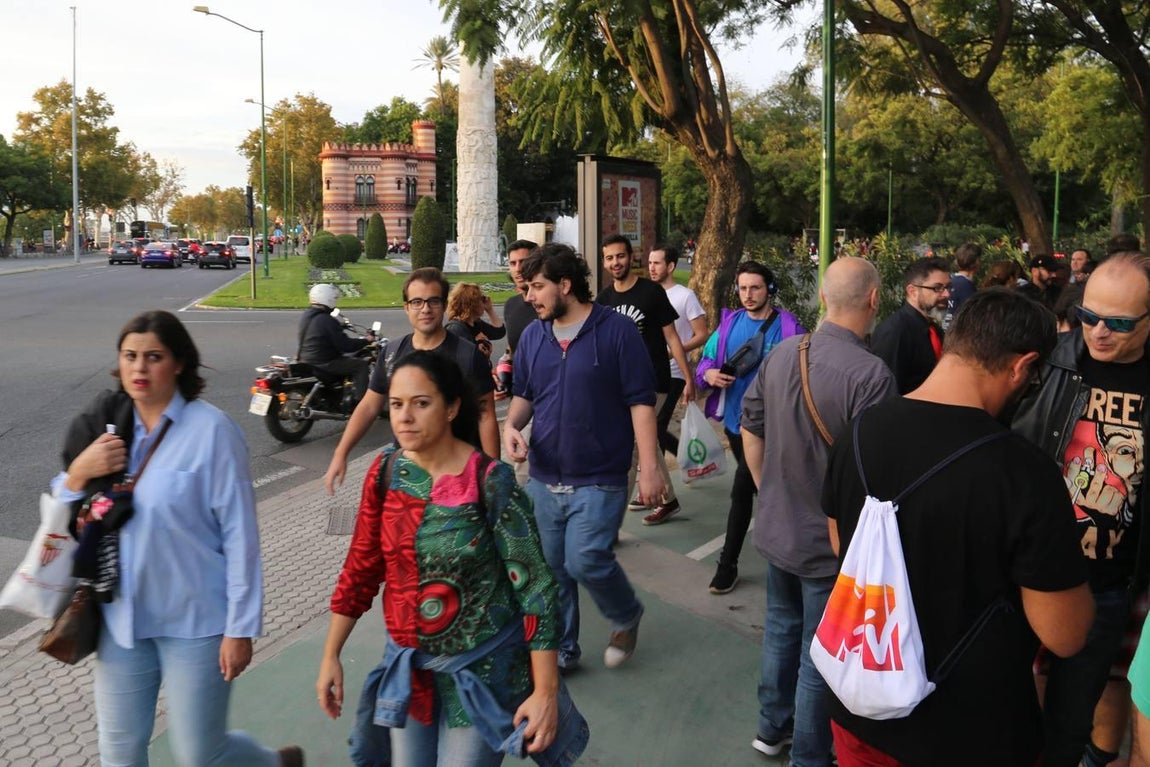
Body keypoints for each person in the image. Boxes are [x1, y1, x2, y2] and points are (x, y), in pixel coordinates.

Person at [823, 289, 1094, 766]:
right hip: (970, 732)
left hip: (860, 712)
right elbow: (1065, 634)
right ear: (1022, 366)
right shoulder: (1023, 472)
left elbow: (840, 544)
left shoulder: (859, 431)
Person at [53, 310, 301, 767]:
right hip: (121, 622)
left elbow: (240, 535)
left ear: (180, 363)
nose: (139, 368)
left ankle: (270, 763)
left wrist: (240, 627)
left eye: (153, 357)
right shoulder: (108, 424)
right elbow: (63, 507)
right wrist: (79, 472)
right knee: (119, 754)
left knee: (201, 755)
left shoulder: (211, 431)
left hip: (197, 624)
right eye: (130, 356)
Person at [317, 351, 581, 767]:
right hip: (411, 674)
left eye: (421, 403)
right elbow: (362, 568)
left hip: (482, 673)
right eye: (397, 404)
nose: (404, 417)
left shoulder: (490, 482)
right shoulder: (385, 472)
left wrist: (545, 690)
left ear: (451, 407)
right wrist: (332, 654)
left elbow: (535, 589)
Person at [741, 258, 896, 766]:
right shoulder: (871, 375)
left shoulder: (785, 351)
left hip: (777, 528)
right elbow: (874, 470)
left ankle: (770, 728)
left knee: (781, 629)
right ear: (874, 300)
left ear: (823, 298)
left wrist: (769, 491)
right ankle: (809, 757)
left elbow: (751, 424)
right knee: (820, 652)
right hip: (831, 544)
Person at [1012, 252, 1150, 767]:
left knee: (1070, 723)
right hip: (1026, 573)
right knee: (1003, 706)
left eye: (1118, 323)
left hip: (1109, 587)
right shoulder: (1047, 358)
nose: (1099, 333)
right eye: (1090, 317)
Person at [503, 243, 663, 672]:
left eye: (537, 286)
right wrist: (511, 425)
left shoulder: (617, 332)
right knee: (554, 571)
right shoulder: (534, 336)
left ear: (566, 285)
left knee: (586, 559)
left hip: (600, 477)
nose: (530, 296)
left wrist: (649, 470)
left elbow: (641, 403)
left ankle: (626, 614)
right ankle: (564, 650)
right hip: (544, 476)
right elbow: (526, 394)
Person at [324, 268, 499, 494]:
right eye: (417, 302)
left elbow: (485, 415)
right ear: (406, 307)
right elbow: (369, 405)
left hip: (460, 480)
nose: (425, 309)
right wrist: (341, 453)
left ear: (444, 306)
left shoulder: (468, 356)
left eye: (433, 301)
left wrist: (493, 476)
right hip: (408, 480)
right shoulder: (392, 354)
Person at [695, 261, 805, 594]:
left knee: (743, 491)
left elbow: (802, 374)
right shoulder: (728, 326)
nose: (748, 294)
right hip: (735, 425)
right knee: (765, 492)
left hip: (774, 429)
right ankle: (795, 557)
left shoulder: (788, 327)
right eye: (743, 288)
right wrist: (709, 375)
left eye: (755, 287)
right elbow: (705, 363)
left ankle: (728, 565)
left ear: (770, 289)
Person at [598, 234, 694, 522]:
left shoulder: (651, 293)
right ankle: (669, 499)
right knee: (646, 441)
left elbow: (672, 338)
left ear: (631, 257)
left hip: (654, 381)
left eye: (620, 256)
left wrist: (688, 379)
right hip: (621, 384)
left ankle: (610, 523)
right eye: (610, 258)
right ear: (605, 262)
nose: (616, 262)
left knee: (634, 447)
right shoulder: (604, 300)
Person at [643, 243, 708, 525]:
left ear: (670, 266)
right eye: (649, 263)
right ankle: (685, 459)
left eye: (657, 263)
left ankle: (665, 497)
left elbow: (702, 334)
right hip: (651, 372)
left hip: (675, 373)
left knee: (652, 429)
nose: (652, 267)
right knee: (649, 430)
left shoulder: (685, 296)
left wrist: (673, 350)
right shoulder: (647, 295)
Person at [871, 257, 951, 394]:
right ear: (912, 291)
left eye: (948, 287)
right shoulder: (894, 331)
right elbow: (886, 391)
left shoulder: (934, 330)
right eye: (937, 288)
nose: (947, 294)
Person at [298, 283, 374, 400]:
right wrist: (366, 340)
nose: (335, 302)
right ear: (327, 299)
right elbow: (346, 346)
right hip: (324, 362)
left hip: (305, 359)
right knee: (361, 365)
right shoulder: (327, 320)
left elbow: (319, 331)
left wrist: (339, 326)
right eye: (334, 299)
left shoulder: (306, 315)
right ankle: (362, 405)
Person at [446, 282, 506, 359]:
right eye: (482, 299)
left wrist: (490, 310)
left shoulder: (476, 323)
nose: (485, 302)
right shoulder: (456, 329)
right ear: (471, 304)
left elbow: (499, 332)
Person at [942, 242, 981, 330]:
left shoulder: (953, 280)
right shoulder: (965, 285)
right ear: (976, 262)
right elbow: (972, 316)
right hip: (959, 332)